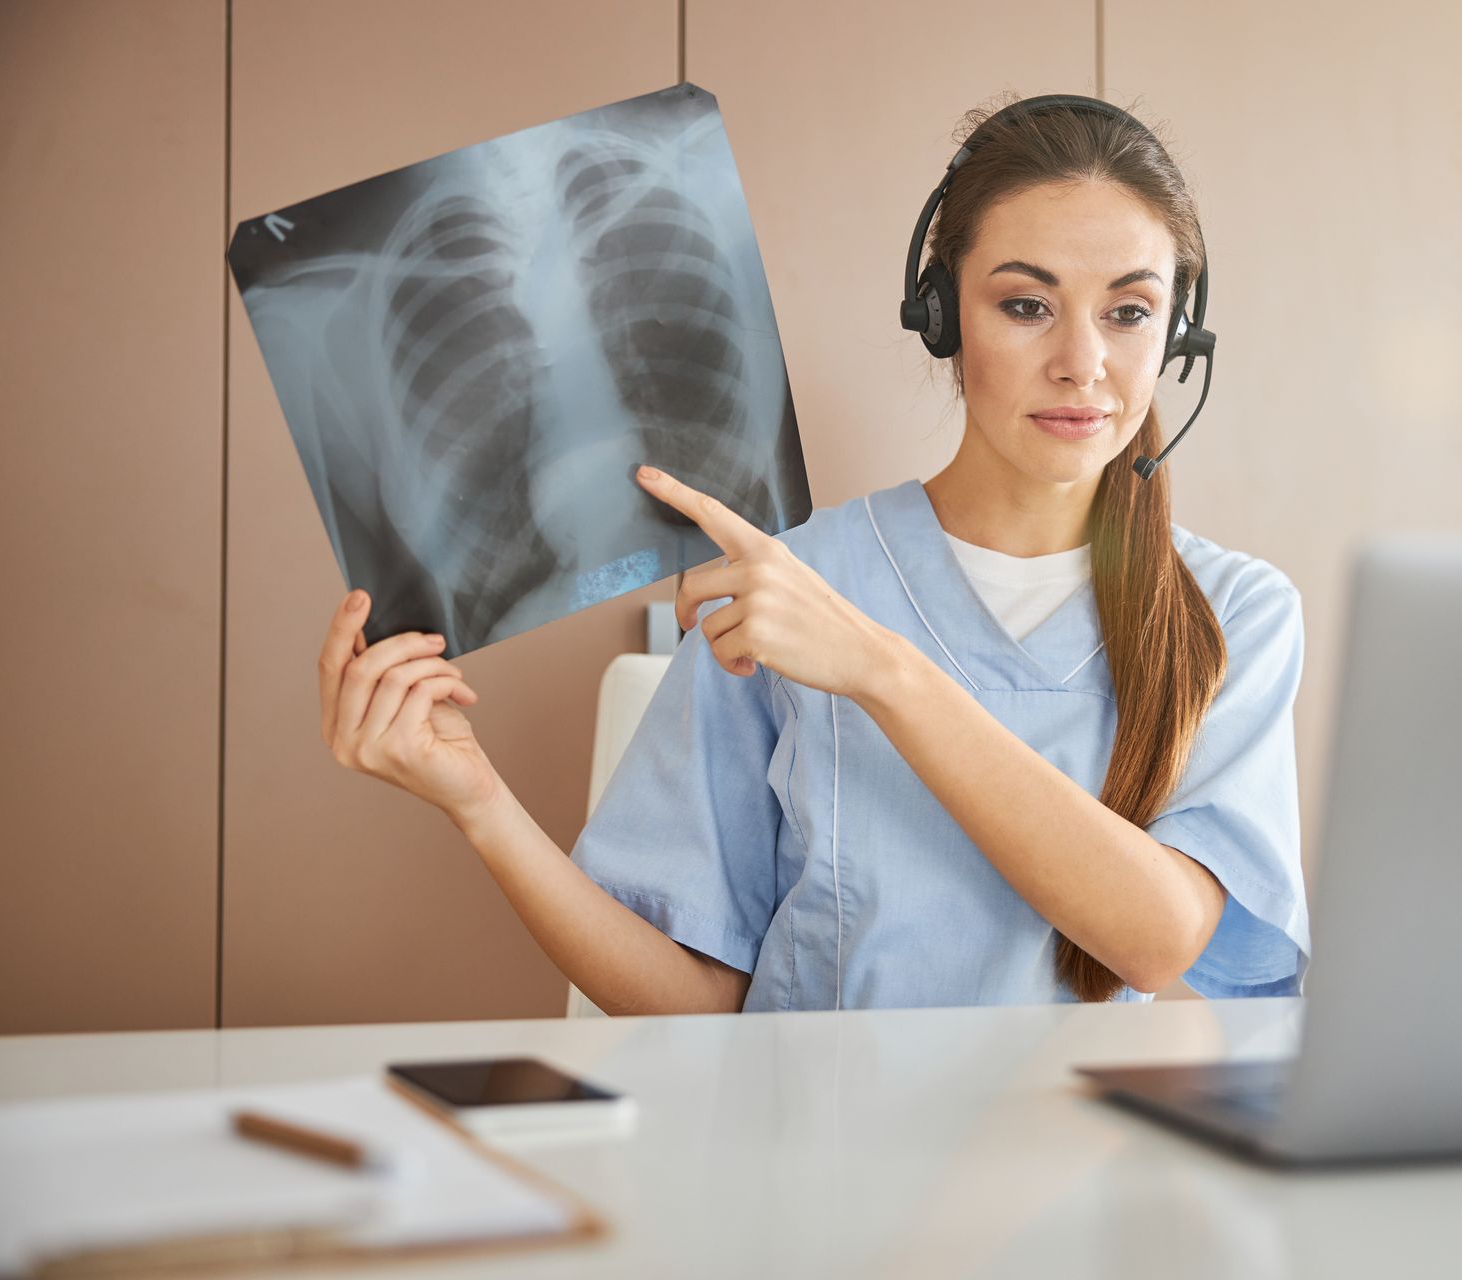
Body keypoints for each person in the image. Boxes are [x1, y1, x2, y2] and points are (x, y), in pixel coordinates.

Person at [315, 93, 1309, 1015]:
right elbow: (697, 1000)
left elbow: (1161, 941)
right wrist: (479, 803)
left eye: (1129, 311)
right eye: (1025, 303)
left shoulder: (1237, 611)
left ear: (1180, 331)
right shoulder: (786, 578)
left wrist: (881, 670)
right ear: (941, 316)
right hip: (822, 1174)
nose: (1083, 363)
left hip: (1095, 1177)